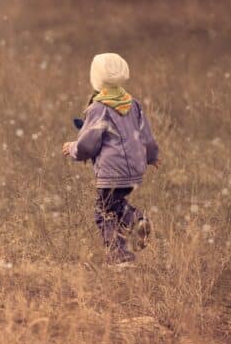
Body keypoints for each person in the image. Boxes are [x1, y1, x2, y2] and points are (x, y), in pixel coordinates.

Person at [62, 53, 159, 264]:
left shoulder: (99, 108)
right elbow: (147, 136)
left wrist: (72, 149)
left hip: (111, 171)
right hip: (134, 170)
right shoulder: (134, 105)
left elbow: (89, 144)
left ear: (95, 78)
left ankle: (121, 254)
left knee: (104, 212)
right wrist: (151, 157)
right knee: (114, 205)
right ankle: (136, 221)